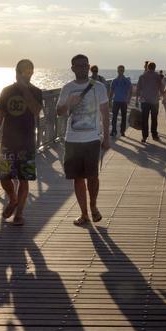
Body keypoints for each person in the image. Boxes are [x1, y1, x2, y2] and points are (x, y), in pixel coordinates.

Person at [56, 54, 109, 226]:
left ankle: (93, 206)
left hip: (92, 138)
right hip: (72, 139)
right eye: (78, 66)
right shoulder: (67, 88)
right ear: (72, 68)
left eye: (84, 65)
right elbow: (59, 112)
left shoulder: (98, 87)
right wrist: (69, 103)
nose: (82, 68)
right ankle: (84, 214)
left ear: (88, 66)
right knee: (77, 178)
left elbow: (105, 113)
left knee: (93, 176)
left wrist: (106, 137)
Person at [0, 59, 43, 226]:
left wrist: (25, 91)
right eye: (24, 71)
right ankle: (13, 199)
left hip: (27, 142)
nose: (27, 74)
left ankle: (19, 213)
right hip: (7, 141)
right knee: (4, 177)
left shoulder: (36, 91)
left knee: (24, 178)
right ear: (17, 72)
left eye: (30, 71)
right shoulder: (6, 91)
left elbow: (36, 111)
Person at [136, 61, 164, 142]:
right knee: (154, 118)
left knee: (144, 119)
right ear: (155, 67)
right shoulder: (157, 76)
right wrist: (164, 96)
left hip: (144, 101)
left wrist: (137, 100)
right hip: (154, 101)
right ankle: (154, 135)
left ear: (147, 67)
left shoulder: (142, 76)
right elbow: (161, 88)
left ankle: (144, 137)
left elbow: (138, 89)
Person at [109, 65, 132, 137]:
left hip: (124, 101)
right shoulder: (114, 81)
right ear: (117, 71)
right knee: (114, 117)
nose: (120, 71)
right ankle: (114, 131)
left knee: (124, 117)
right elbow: (111, 91)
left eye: (122, 70)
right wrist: (110, 100)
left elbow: (130, 90)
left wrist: (129, 99)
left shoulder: (127, 80)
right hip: (116, 101)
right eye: (119, 70)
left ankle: (122, 131)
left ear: (123, 71)